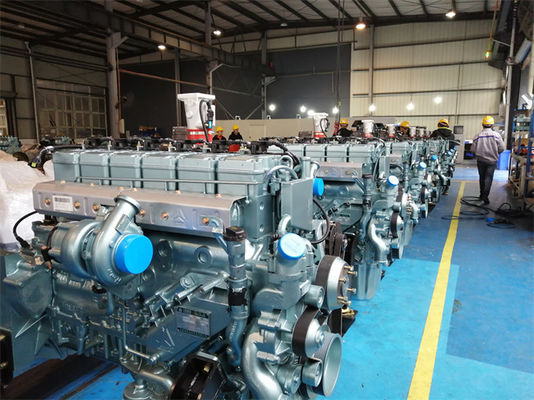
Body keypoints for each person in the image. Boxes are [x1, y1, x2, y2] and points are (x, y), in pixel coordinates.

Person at [471, 116, 504, 205]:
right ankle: (485, 197)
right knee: (488, 178)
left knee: (482, 178)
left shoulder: (478, 135)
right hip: (492, 161)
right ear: (492, 125)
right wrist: (495, 153)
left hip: (481, 161)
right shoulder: (496, 135)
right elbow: (502, 148)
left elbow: (473, 149)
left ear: (482, 124)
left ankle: (482, 195)